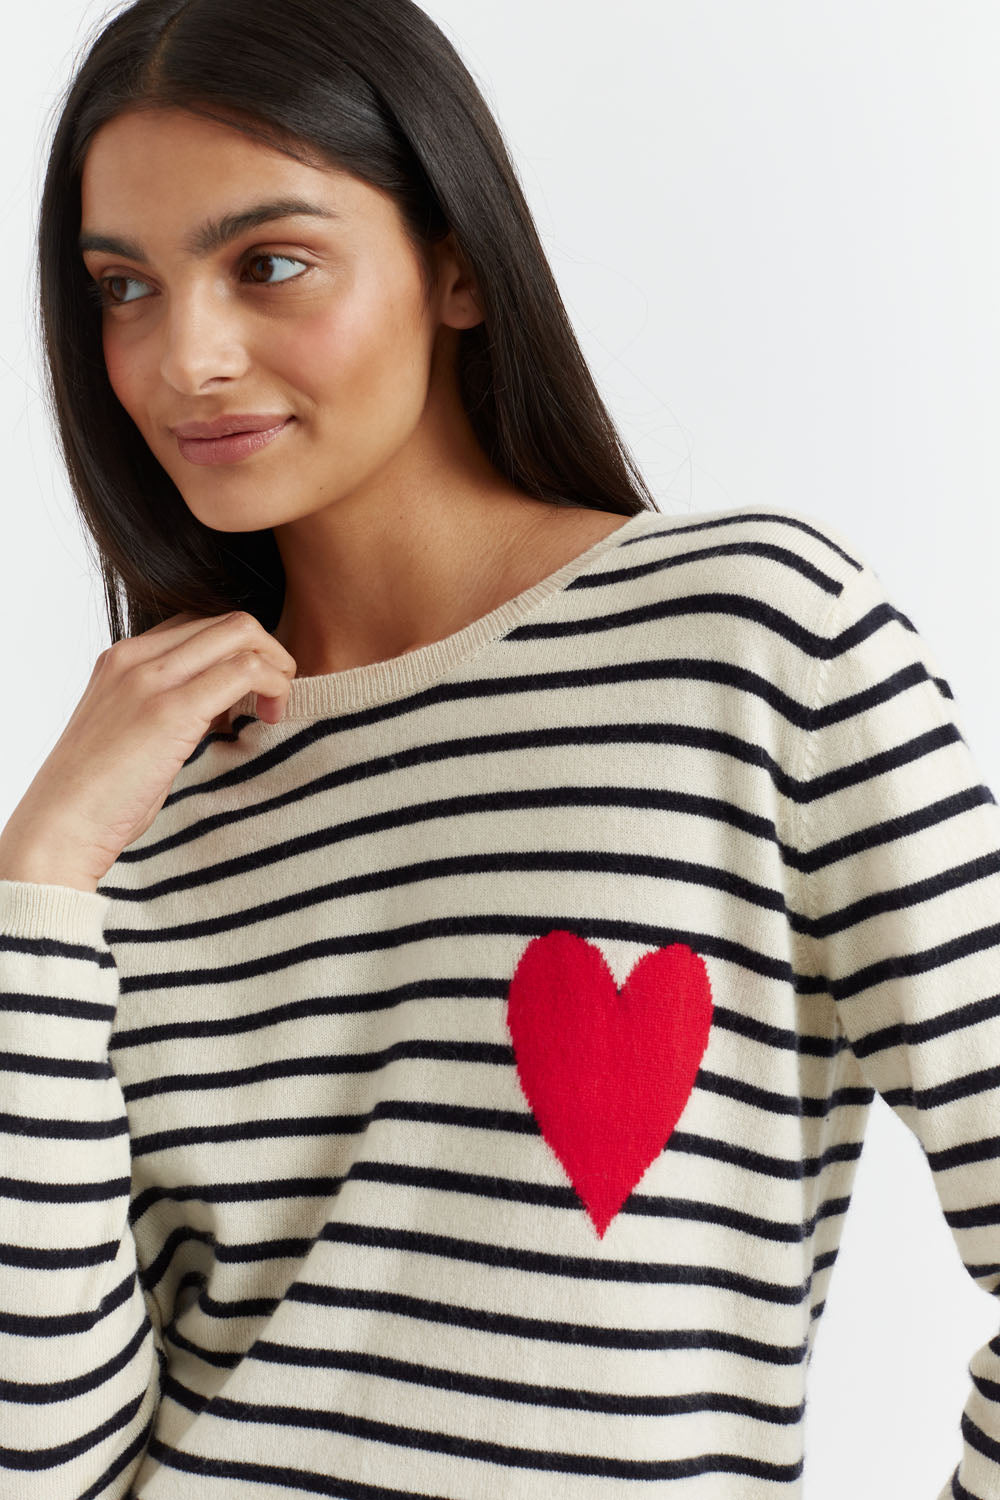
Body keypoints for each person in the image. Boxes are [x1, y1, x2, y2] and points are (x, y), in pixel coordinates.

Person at [0, 0, 997, 1496]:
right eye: (124, 286)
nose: (181, 355)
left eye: (268, 263)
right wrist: (38, 882)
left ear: (458, 264)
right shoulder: (130, 809)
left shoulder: (752, 640)